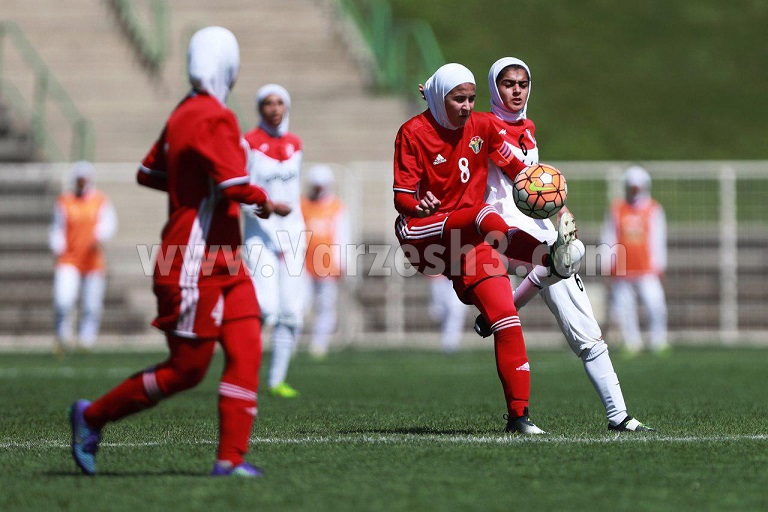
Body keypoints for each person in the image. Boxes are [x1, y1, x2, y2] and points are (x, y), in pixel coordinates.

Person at [69, 26, 289, 477]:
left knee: (247, 351)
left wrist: (194, 179)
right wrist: (267, 202)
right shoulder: (217, 116)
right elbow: (233, 184)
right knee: (188, 370)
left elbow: (148, 172)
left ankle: (230, 460)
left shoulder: (182, 112)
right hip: (193, 261)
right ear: (228, 66)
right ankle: (91, 417)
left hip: (225, 260)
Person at [394, 63, 581, 434]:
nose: (466, 106)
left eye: (471, 98)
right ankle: (544, 255)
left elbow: (518, 170)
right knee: (483, 213)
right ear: (437, 97)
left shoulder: (482, 126)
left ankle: (519, 417)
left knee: (506, 318)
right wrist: (419, 204)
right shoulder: (412, 133)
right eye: (457, 98)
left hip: (470, 241)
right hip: (422, 234)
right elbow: (402, 198)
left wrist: (557, 207)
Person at [474, 56, 654, 432]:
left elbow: (534, 182)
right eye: (507, 83)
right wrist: (435, 105)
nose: (516, 90)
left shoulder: (528, 128)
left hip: (538, 232)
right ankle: (518, 405)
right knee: (559, 266)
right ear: (493, 87)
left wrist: (561, 210)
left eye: (522, 83)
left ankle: (619, 416)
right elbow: (511, 170)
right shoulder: (483, 126)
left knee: (585, 328)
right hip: (498, 233)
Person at [242, 83, 306, 398]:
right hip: (260, 233)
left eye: (281, 102)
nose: (275, 108)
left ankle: (277, 380)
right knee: (264, 307)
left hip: (293, 233)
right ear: (259, 107)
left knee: (291, 310)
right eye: (268, 102)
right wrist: (265, 206)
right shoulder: (248, 144)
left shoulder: (296, 144)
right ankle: (244, 374)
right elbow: (239, 192)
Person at [49, 161, 117, 354]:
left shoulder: (100, 200)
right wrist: (57, 246)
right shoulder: (64, 200)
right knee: (63, 300)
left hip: (92, 259)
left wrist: (99, 237)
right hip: (68, 258)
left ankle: (87, 340)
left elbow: (109, 224)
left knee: (91, 305)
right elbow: (57, 227)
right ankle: (63, 337)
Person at [602, 165, 669, 356]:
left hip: (647, 268)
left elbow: (658, 238)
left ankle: (658, 341)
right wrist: (607, 263)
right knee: (625, 309)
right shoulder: (617, 209)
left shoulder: (654, 209)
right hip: (623, 268)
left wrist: (660, 264)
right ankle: (632, 342)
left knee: (655, 304)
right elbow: (608, 237)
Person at [301, 164, 349, 359]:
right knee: (301, 305)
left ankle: (319, 344)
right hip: (304, 264)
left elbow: (343, 235)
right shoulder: (303, 205)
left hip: (328, 265)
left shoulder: (336, 206)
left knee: (325, 306)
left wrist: (342, 261)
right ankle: (292, 342)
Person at [428, 275, 469, 353]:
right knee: (437, 313)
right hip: (440, 277)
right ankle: (448, 340)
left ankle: (450, 343)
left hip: (458, 275)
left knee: (456, 309)